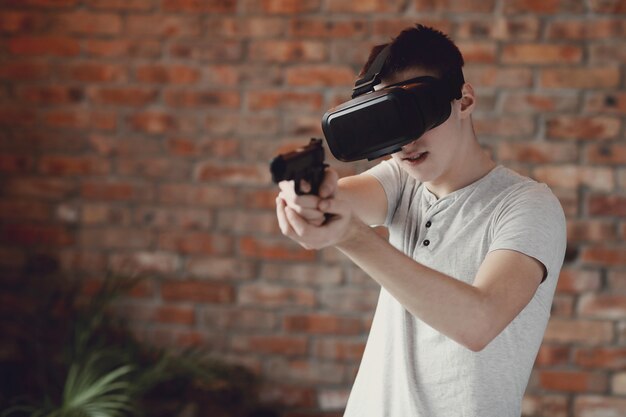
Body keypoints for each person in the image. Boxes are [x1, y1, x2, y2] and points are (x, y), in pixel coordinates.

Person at [275, 24, 566, 417]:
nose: (406, 144)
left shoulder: (527, 205)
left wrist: (349, 236)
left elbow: (479, 322)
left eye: (415, 116)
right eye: (390, 125)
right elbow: (337, 199)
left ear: (463, 100)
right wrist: (309, 202)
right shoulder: (401, 182)